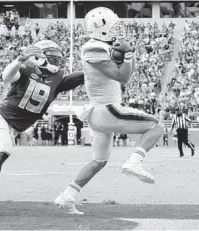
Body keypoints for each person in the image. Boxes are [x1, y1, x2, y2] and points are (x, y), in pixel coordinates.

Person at [0, 40, 84, 216]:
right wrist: (19, 60)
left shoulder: (57, 79)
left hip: (12, 129)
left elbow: (77, 78)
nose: (56, 60)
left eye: (57, 57)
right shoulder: (26, 69)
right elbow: (6, 77)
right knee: (3, 149)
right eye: (52, 57)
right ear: (38, 57)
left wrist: (93, 68)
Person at [54, 7, 163, 215]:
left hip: (100, 112)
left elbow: (121, 72)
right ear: (101, 29)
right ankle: (134, 162)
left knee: (99, 161)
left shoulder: (99, 46)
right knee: (156, 126)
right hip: (107, 109)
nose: (116, 30)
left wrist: (123, 55)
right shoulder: (93, 48)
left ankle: (66, 196)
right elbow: (123, 77)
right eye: (112, 26)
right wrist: (128, 55)